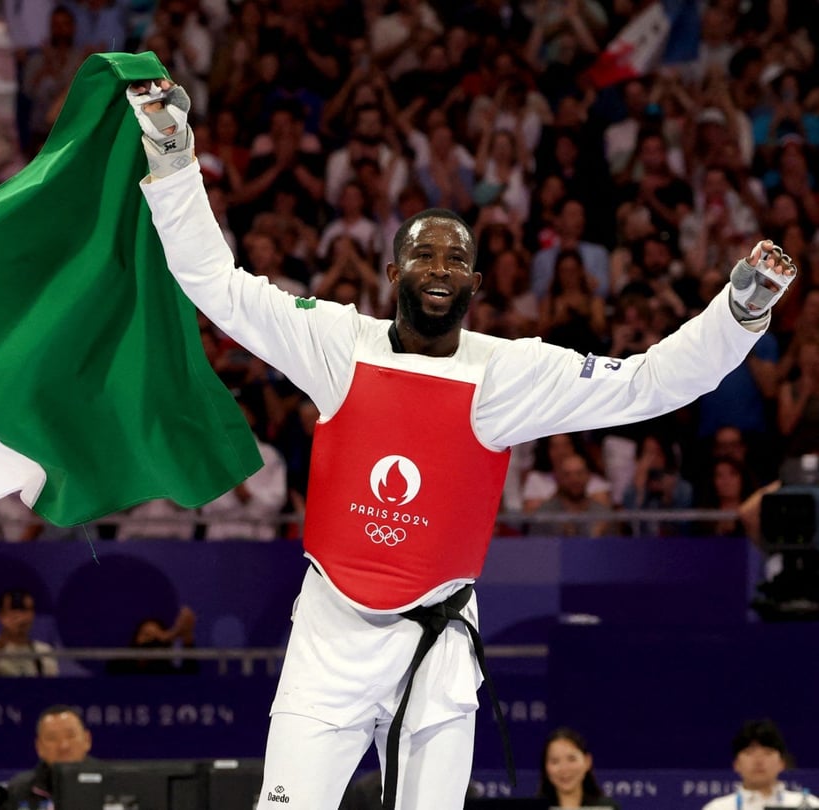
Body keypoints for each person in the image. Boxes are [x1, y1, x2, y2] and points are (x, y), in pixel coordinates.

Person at [126, 77, 798, 810]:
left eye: (454, 260)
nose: (438, 270)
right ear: (392, 272)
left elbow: (648, 384)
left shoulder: (505, 372)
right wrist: (170, 149)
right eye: (423, 256)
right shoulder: (335, 344)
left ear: (475, 281)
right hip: (327, 640)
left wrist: (737, 313)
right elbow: (211, 281)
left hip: (437, 644)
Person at [700, 719, 818, 810]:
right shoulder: (718, 808)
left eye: (767, 753)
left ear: (782, 763)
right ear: (736, 764)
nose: (759, 760)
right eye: (750, 753)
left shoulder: (807, 805)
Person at [3, 705, 93, 810]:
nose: (63, 746)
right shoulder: (18, 791)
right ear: (39, 747)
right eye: (52, 738)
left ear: (87, 740)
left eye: (70, 735)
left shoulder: (111, 783)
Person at [0, 589, 59, 676]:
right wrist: (4, 638)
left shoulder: (44, 651)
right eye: (14, 609)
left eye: (27, 610)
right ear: (1, 616)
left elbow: (51, 687)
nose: (21, 616)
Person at [537, 727, 619, 809]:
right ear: (545, 767)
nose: (564, 768)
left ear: (587, 762)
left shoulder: (607, 808)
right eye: (555, 761)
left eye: (571, 759)